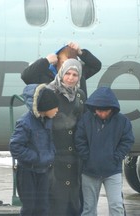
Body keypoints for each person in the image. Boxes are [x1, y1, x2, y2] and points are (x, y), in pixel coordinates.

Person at [74, 87, 135, 216]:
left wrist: (116, 157)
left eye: (104, 110)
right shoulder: (85, 119)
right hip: (89, 172)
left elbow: (128, 141)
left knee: (116, 206)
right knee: (88, 208)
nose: (101, 113)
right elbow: (79, 140)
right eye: (98, 110)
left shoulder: (123, 121)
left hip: (113, 171)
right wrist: (87, 157)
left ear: (111, 108)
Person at [9, 83, 59, 216]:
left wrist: (51, 154)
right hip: (27, 172)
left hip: (43, 171)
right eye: (55, 107)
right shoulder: (25, 122)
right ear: (46, 107)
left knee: (43, 207)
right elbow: (15, 147)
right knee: (29, 208)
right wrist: (37, 158)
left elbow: (50, 141)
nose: (57, 110)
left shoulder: (47, 120)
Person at [47, 58, 86, 216]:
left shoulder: (80, 95)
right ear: (61, 73)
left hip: (74, 155)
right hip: (55, 154)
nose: (70, 78)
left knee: (73, 201)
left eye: (75, 74)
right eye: (68, 74)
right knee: (56, 201)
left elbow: (83, 123)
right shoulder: (50, 92)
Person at [21, 41, 102, 95]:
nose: (71, 77)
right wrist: (46, 61)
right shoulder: (45, 75)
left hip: (78, 116)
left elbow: (96, 65)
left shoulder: (78, 72)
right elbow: (26, 76)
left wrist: (81, 52)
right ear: (57, 61)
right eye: (64, 63)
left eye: (71, 64)